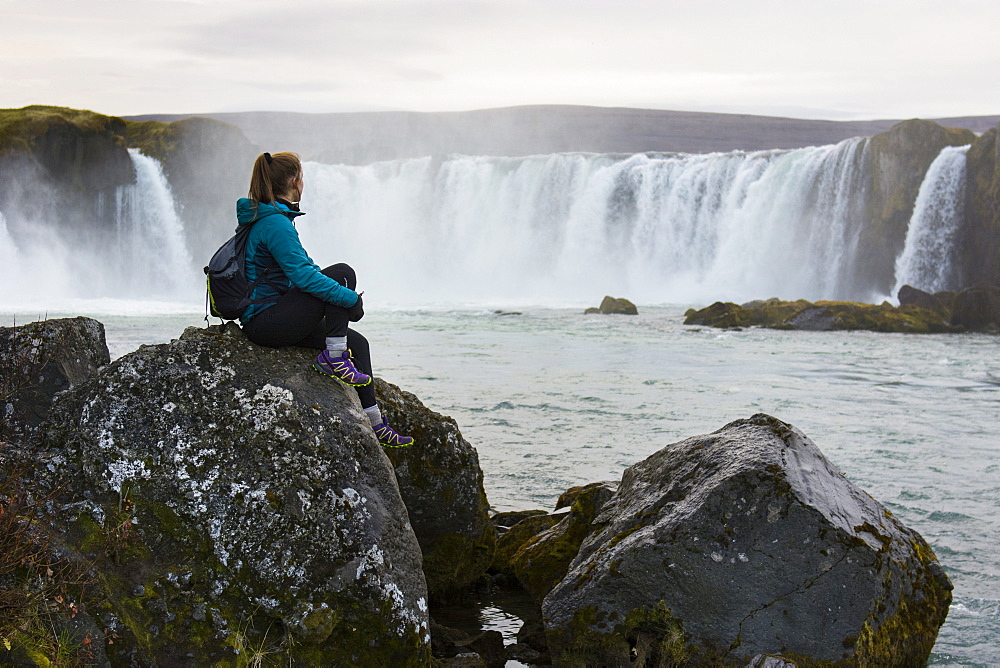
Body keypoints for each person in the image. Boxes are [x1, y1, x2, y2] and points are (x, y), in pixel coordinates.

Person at [236, 151, 413, 447]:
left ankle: (376, 424)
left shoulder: (273, 219)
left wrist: (343, 300)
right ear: (295, 181)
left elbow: (304, 271)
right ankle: (333, 357)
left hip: (275, 316)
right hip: (265, 322)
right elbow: (306, 278)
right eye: (302, 177)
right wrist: (350, 300)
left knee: (359, 344)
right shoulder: (275, 224)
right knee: (343, 273)